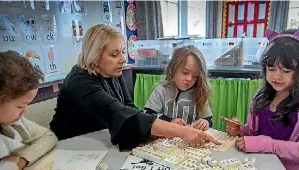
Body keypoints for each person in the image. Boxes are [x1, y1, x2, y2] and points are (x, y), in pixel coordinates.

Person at [50, 24, 219, 150]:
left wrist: (161, 130)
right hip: (71, 147)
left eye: (122, 52)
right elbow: (119, 113)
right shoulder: (79, 82)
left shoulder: (111, 73)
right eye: (114, 54)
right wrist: (181, 132)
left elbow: (130, 110)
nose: (123, 59)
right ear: (94, 57)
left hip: (100, 142)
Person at [225, 29, 299, 170]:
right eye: (271, 69)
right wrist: (240, 131)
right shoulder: (260, 99)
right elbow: (255, 134)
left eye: (286, 70)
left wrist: (268, 144)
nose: (276, 76)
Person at [0, 51, 58, 170]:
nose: (25, 111)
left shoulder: (9, 120)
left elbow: (48, 137)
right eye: (20, 105)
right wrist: (9, 166)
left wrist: (21, 159)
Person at [144, 45, 213, 130]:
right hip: (164, 140)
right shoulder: (161, 90)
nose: (189, 79)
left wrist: (204, 122)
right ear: (173, 69)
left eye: (195, 76)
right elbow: (148, 116)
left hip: (189, 140)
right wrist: (170, 121)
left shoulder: (199, 92)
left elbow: (208, 119)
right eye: (185, 72)